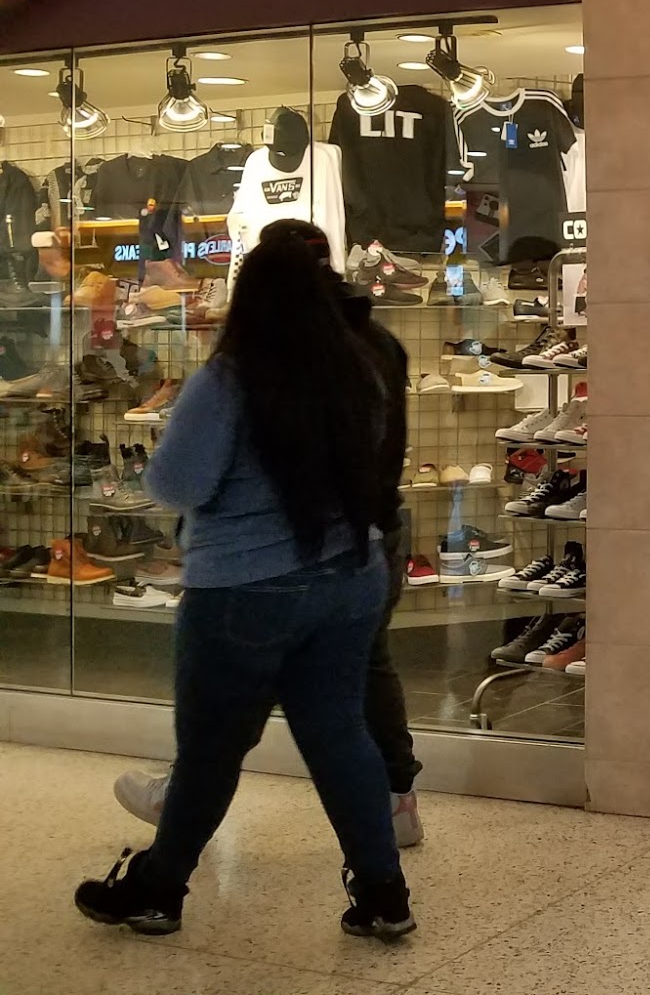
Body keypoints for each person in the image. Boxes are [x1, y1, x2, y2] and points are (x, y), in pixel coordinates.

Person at [74, 232, 415, 941]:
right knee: (340, 736)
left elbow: (176, 483)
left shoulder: (228, 380)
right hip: (349, 576)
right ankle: (383, 892)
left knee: (211, 748)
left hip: (244, 589)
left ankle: (159, 888)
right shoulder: (363, 368)